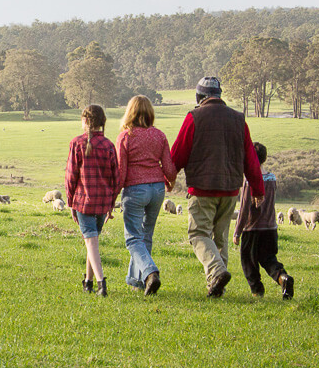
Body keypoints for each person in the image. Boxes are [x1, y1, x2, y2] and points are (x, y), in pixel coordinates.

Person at [170, 76, 265, 298]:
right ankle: (216, 287)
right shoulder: (238, 119)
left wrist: (169, 176)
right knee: (220, 238)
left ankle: (217, 271)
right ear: (219, 95)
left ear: (199, 96)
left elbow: (178, 153)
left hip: (202, 188)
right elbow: (250, 159)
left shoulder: (195, 117)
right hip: (231, 189)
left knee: (198, 234)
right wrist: (258, 190)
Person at [114, 95, 177, 295]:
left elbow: (121, 172)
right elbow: (169, 168)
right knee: (145, 235)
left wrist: (113, 197)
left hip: (135, 190)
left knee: (133, 239)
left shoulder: (125, 136)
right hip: (157, 189)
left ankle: (150, 273)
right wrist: (170, 182)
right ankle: (137, 281)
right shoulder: (159, 135)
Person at [65, 104, 118, 297]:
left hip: (83, 201)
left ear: (85, 121)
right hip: (103, 202)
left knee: (91, 242)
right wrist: (111, 204)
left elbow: (71, 176)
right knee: (92, 241)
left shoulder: (76, 143)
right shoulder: (109, 145)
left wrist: (70, 202)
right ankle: (87, 282)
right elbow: (115, 177)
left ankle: (101, 283)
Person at [232, 142, 294, 299]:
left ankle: (257, 292)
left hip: (252, 228)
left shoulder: (248, 180)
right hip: (271, 227)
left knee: (248, 262)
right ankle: (283, 278)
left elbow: (245, 208)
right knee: (269, 259)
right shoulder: (272, 178)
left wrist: (237, 232)